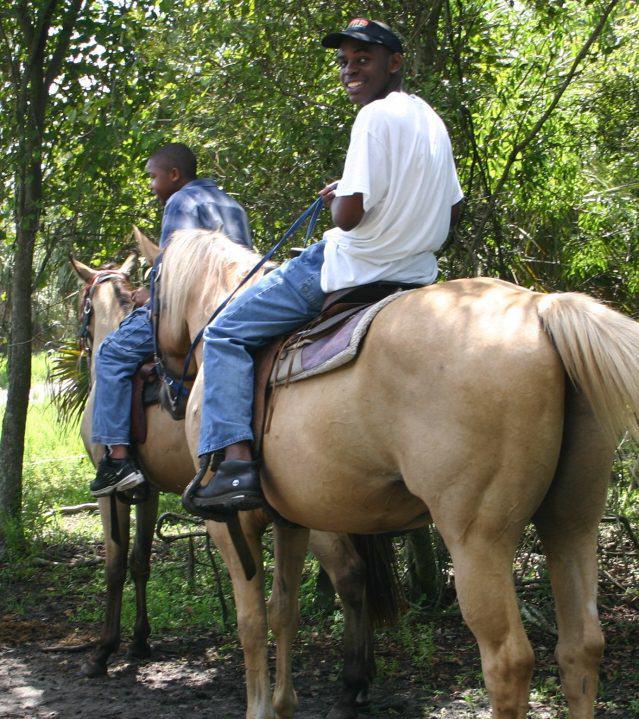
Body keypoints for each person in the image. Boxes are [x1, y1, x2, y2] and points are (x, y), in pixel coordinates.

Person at [189, 18, 463, 514]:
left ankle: (234, 466)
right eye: (345, 61)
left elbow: (350, 218)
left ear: (394, 63)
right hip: (415, 272)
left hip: (354, 267)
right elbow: (452, 210)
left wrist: (343, 199)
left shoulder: (373, 117)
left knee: (225, 332)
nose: (351, 69)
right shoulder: (429, 120)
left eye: (364, 58)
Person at [88, 144, 253, 496]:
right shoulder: (231, 203)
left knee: (112, 352)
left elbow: (171, 274)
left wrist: (151, 294)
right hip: (240, 306)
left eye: (153, 177)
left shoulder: (181, 202)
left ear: (174, 175)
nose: (152, 185)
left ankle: (117, 460)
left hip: (193, 312)